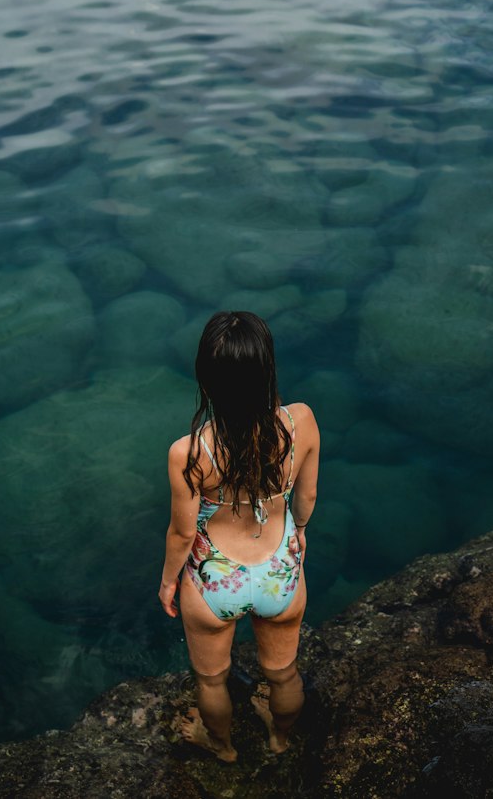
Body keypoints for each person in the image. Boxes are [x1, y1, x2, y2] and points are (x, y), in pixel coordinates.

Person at [159, 310, 319, 763]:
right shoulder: (301, 422)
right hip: (279, 572)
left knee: (211, 680)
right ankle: (280, 738)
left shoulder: (189, 452)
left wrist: (170, 582)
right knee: (283, 672)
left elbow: (182, 532)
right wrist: (300, 532)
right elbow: (306, 496)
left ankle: (222, 747)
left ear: (206, 379)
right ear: (267, 368)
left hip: (215, 580)